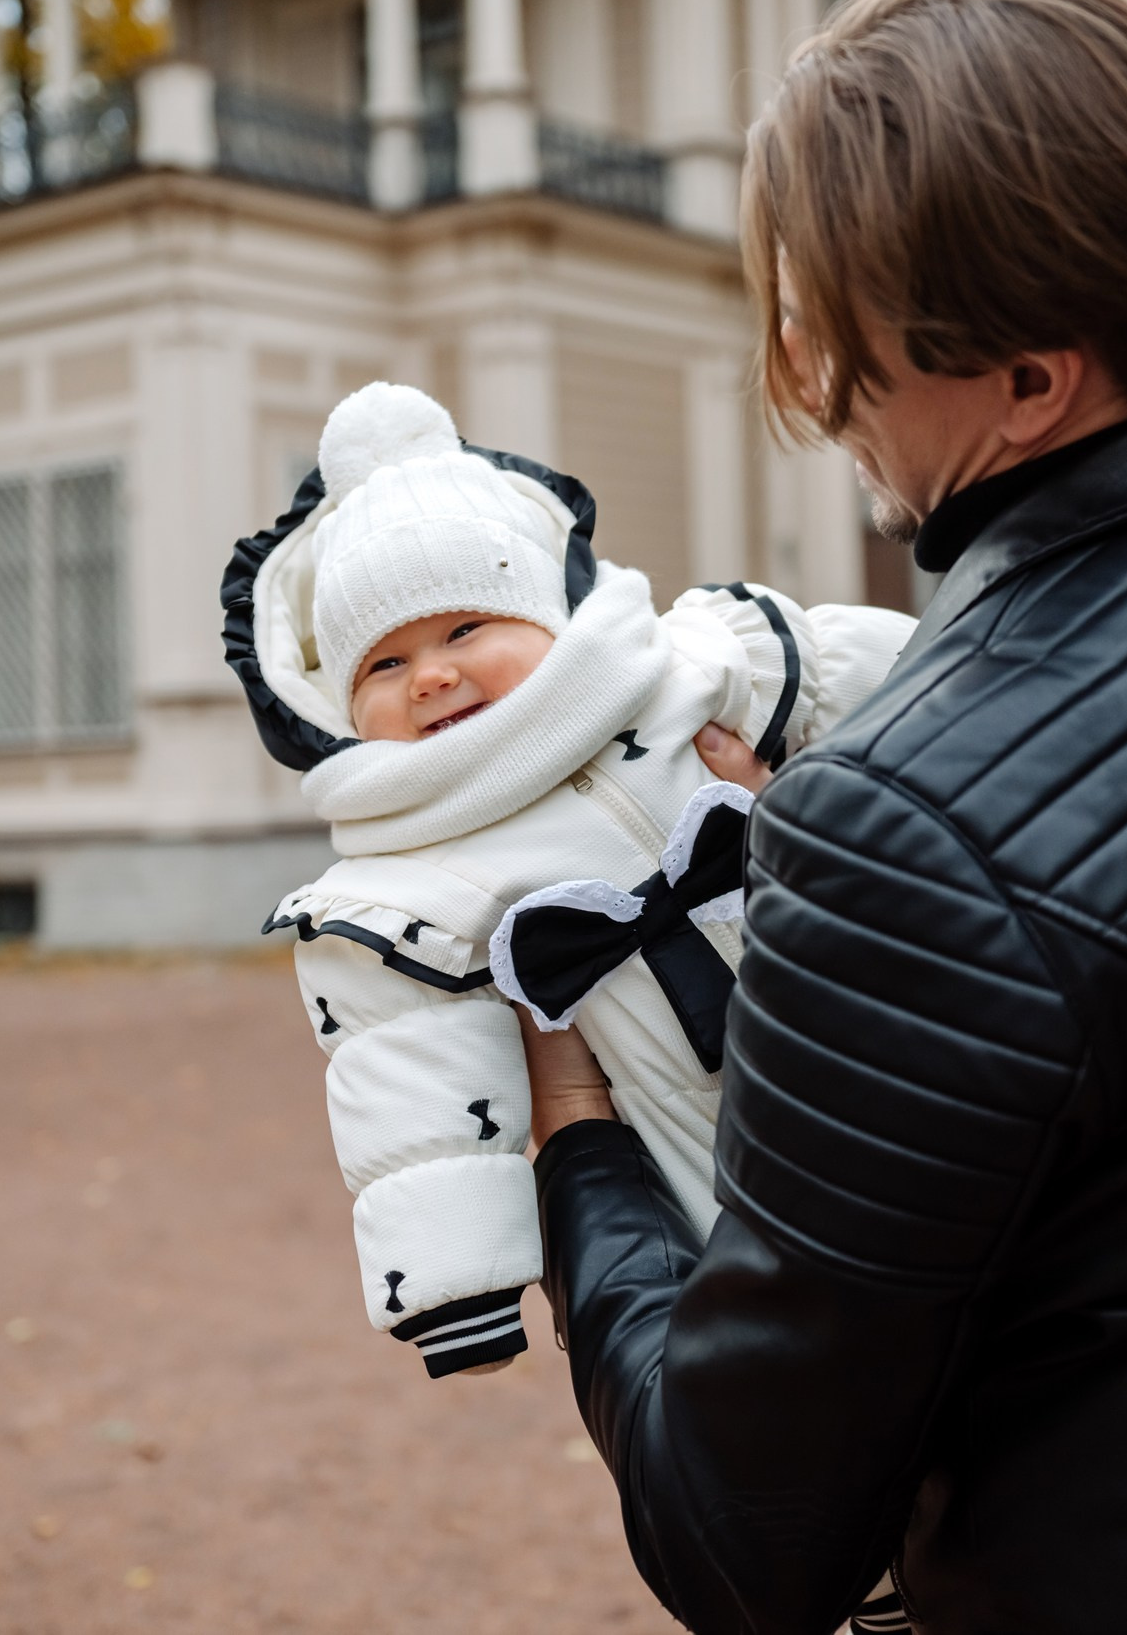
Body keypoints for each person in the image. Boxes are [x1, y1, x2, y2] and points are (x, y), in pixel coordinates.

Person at [525, 0, 1127, 1634]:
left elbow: (742, 1534)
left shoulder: (901, 833)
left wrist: (580, 1145)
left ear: (1031, 377)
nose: (808, 367)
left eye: (833, 310)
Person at [220, 379, 911, 1382]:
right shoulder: (402, 874)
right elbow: (411, 1079)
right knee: (813, 1366)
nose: (430, 675)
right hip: (698, 1158)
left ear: (545, 613)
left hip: (886, 1042)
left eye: (464, 630)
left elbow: (910, 686)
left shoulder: (681, 668)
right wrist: (457, 1292)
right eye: (383, 666)